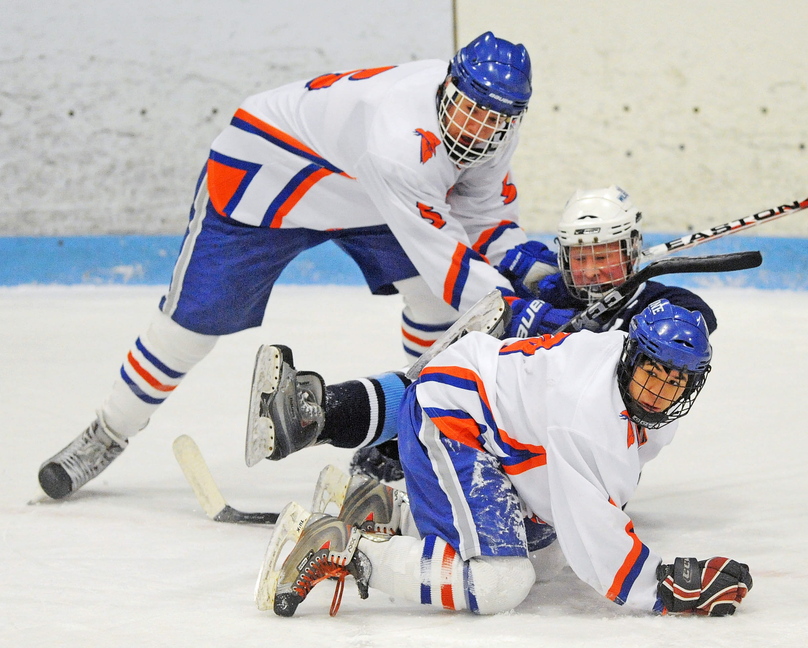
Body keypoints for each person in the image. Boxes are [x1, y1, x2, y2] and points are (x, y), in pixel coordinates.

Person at [38, 32, 563, 500]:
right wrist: (531, 314)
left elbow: (485, 218)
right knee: (189, 328)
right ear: (448, 86)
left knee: (429, 302)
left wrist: (534, 272)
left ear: (512, 118)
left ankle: (412, 427)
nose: (476, 128)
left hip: (364, 189)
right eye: (469, 108)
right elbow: (454, 272)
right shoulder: (398, 142)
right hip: (271, 177)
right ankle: (107, 431)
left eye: (494, 119)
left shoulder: (489, 128)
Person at [255, 300, 753, 617]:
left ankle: (384, 507)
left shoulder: (624, 380)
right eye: (653, 371)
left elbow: (584, 509)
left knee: (549, 558)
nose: (659, 392)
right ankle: (342, 548)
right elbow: (594, 523)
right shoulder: (587, 413)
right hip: (454, 414)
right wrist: (659, 585)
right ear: (632, 355)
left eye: (676, 381)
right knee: (500, 582)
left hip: (491, 425)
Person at [349, 184, 718, 482]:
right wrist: (530, 291)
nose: (589, 271)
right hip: (527, 432)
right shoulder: (556, 289)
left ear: (631, 248)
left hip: (593, 455)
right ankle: (410, 424)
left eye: (602, 256)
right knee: (489, 326)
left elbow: (697, 320)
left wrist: (583, 332)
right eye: (579, 257)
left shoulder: (661, 302)